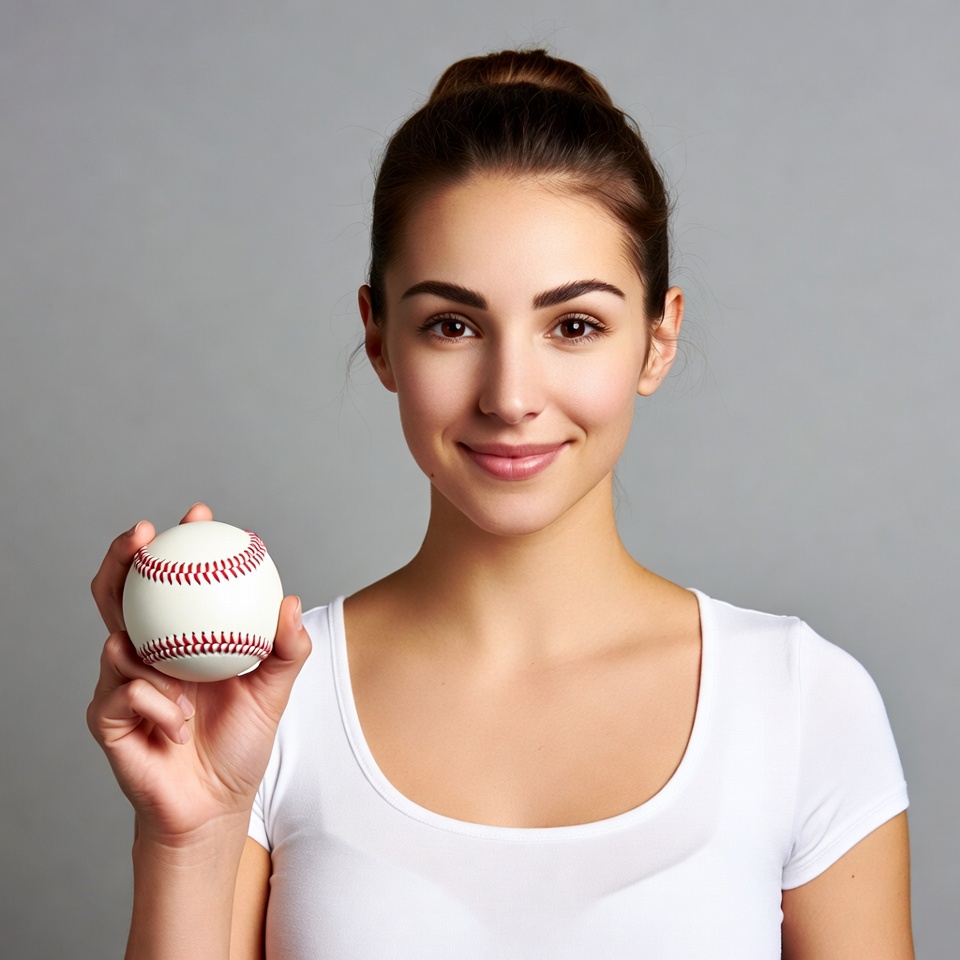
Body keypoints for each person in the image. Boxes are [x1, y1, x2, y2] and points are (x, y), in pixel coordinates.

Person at [87, 49, 913, 959]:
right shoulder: (265, 710)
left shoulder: (801, 702)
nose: (510, 395)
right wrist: (191, 833)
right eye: (453, 324)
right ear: (379, 336)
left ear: (658, 338)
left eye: (574, 325)